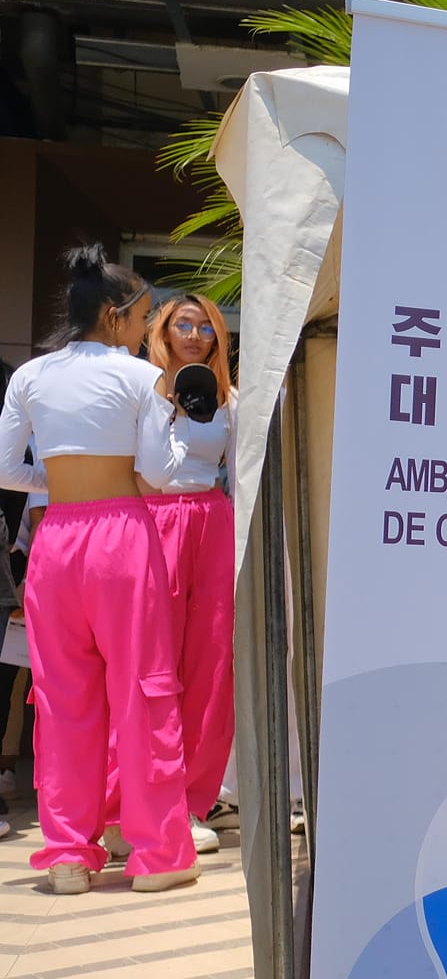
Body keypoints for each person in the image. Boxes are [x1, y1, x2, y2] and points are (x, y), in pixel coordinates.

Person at [0, 245, 198, 894]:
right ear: (114, 316)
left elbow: (5, 469)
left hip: (56, 541)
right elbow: (160, 474)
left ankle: (66, 855)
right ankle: (154, 853)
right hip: (122, 538)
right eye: (143, 317)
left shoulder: (31, 375)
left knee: (62, 698)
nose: (147, 329)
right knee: (144, 691)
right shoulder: (138, 377)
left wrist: (54, 482)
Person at [102, 295, 236, 858]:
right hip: (149, 522)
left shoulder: (232, 397)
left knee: (209, 666)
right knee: (143, 669)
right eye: (183, 323)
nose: (195, 333)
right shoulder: (139, 388)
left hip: (210, 522)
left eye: (206, 325)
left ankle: (188, 802)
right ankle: (120, 805)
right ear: (160, 328)